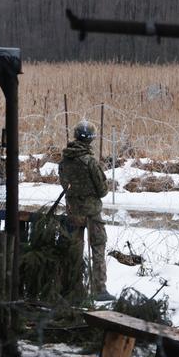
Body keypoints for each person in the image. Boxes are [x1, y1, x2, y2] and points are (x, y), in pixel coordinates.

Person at [58, 120, 112, 302]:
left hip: (73, 211)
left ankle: (75, 289)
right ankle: (99, 289)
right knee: (97, 247)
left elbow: (64, 184)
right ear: (91, 139)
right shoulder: (90, 162)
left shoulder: (65, 160)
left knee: (74, 250)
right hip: (92, 213)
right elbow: (103, 190)